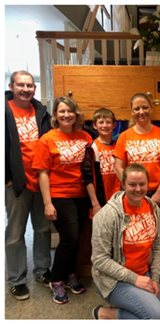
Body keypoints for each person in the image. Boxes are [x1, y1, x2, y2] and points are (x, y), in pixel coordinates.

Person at [32, 96, 93, 304]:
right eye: (61, 111)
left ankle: (69, 274)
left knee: (77, 239)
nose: (66, 115)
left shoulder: (85, 137)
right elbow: (42, 173)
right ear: (56, 116)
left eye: (70, 111)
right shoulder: (47, 139)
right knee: (70, 238)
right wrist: (48, 203)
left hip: (82, 195)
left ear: (75, 114)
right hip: (59, 195)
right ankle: (56, 279)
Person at [90, 163, 160, 319]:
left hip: (142, 273)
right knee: (156, 316)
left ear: (148, 184)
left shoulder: (154, 209)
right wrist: (135, 279)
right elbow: (99, 260)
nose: (138, 189)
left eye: (142, 184)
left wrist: (154, 278)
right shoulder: (108, 215)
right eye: (132, 184)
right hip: (114, 279)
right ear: (123, 184)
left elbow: (158, 246)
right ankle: (104, 314)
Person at [5, 70, 53, 300]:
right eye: (20, 85)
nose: (25, 89)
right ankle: (17, 279)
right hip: (17, 183)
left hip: (41, 180)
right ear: (11, 86)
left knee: (42, 229)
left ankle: (42, 271)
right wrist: (6, 176)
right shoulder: (5, 111)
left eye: (29, 85)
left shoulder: (42, 112)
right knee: (15, 233)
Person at [114, 93, 160, 220]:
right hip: (133, 193)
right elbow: (118, 166)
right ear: (132, 112)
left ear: (151, 109)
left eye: (145, 107)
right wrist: (129, 190)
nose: (141, 112)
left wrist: (159, 192)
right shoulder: (124, 136)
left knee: (157, 233)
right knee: (136, 233)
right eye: (137, 109)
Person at [82, 108, 121, 217]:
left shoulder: (119, 146)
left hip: (118, 199)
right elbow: (87, 178)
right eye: (101, 122)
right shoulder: (92, 148)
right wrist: (95, 204)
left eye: (108, 122)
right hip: (100, 201)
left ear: (114, 125)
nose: (105, 125)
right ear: (95, 125)